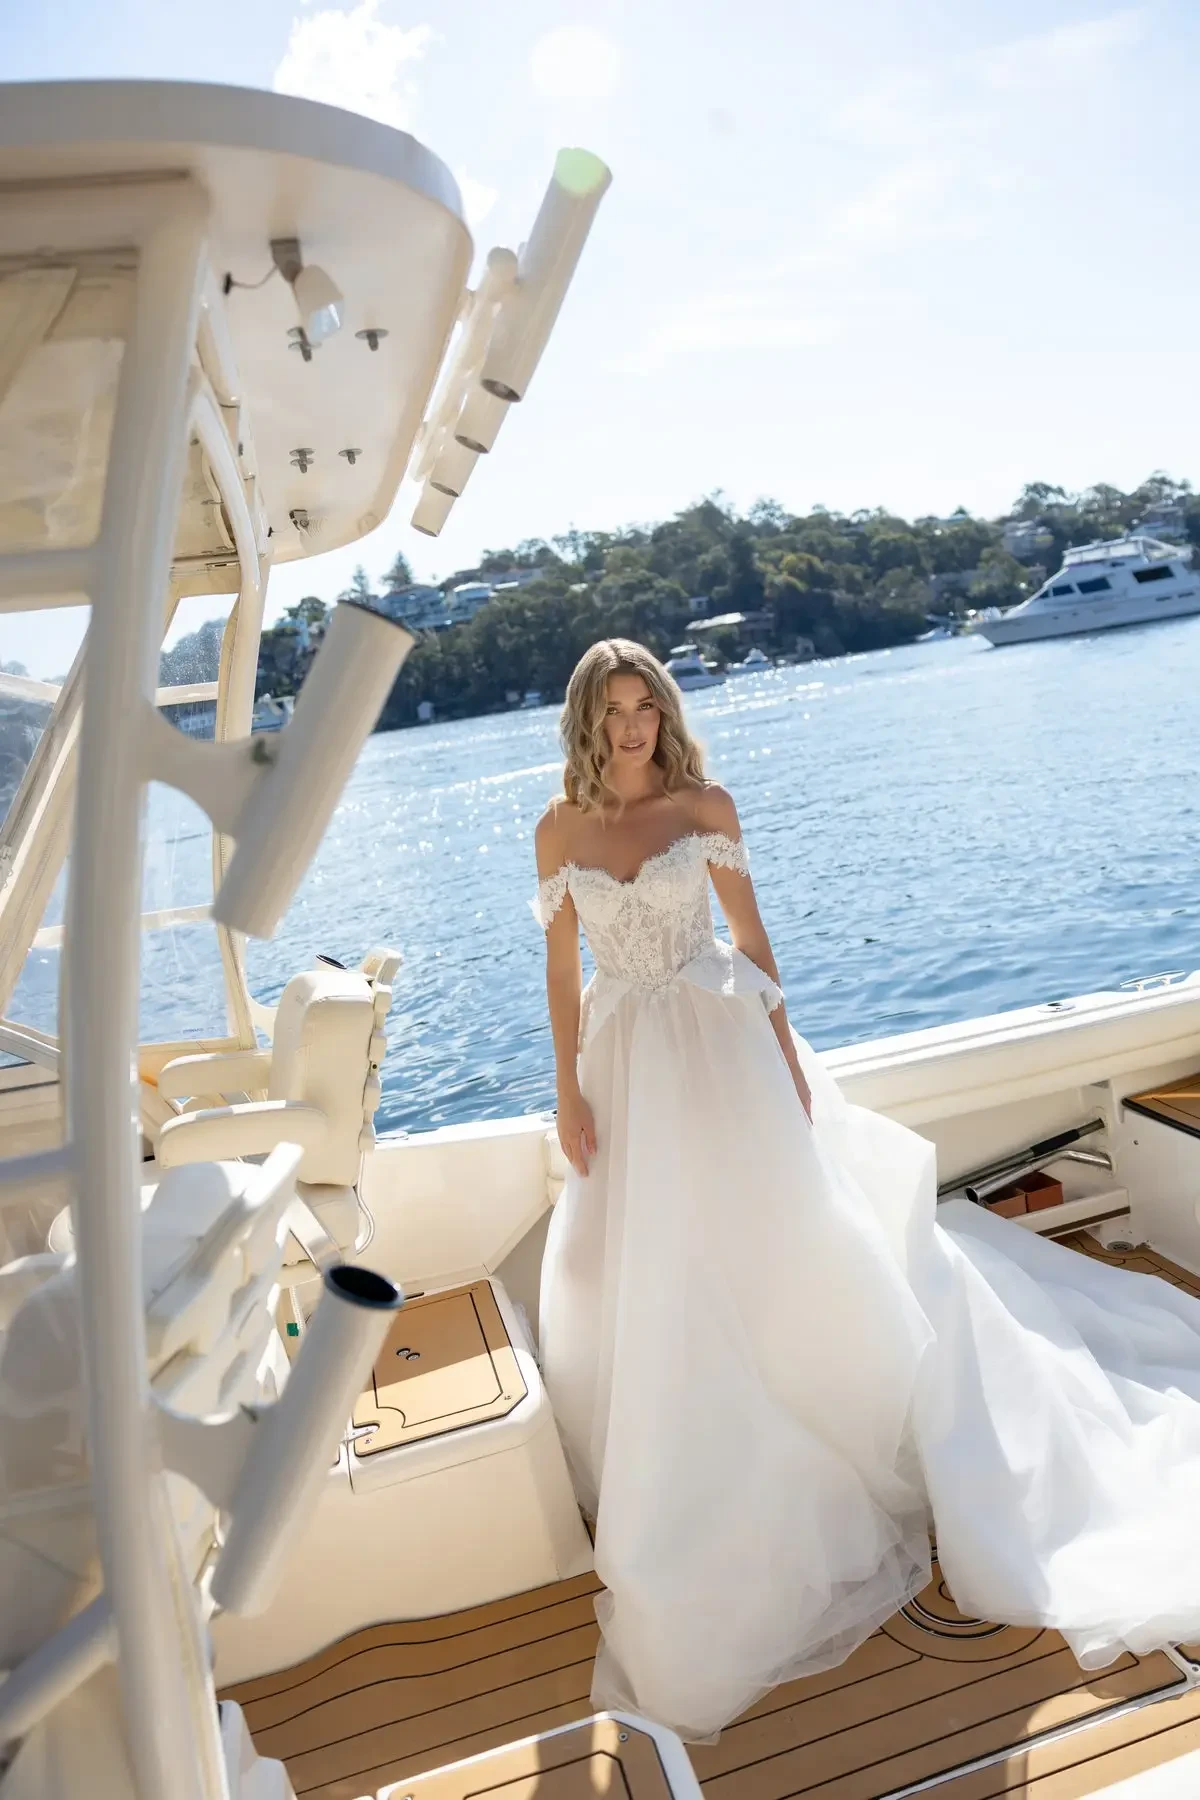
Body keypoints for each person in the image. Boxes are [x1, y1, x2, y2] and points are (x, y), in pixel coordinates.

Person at [533, 637, 1200, 1744]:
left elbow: (752, 943)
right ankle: (688, 1479)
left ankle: (824, 1443)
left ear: (665, 711)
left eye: (646, 706)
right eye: (614, 711)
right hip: (624, 1069)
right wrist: (566, 1090)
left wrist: (787, 1063)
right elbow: (562, 974)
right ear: (587, 720)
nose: (633, 726)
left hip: (724, 1054)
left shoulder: (704, 807)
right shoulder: (559, 830)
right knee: (640, 1276)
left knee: (775, 1258)